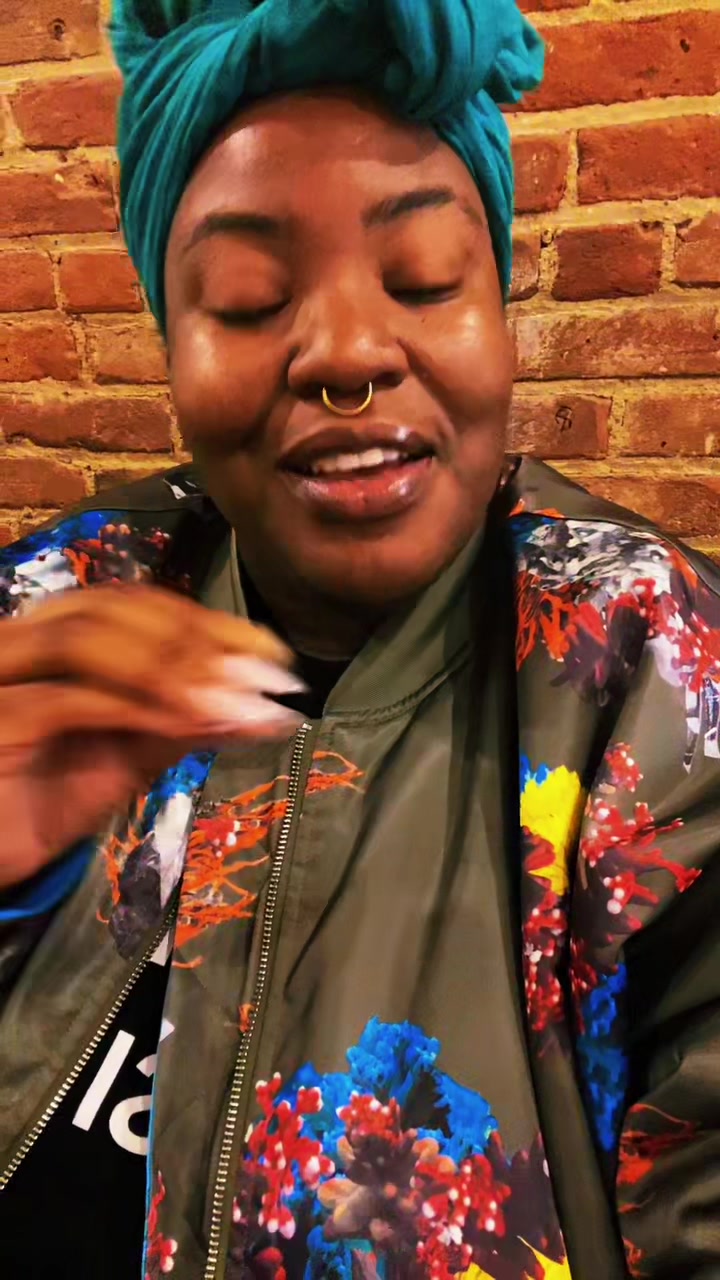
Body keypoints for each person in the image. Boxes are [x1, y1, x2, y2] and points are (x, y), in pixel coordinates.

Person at [0, 2, 718, 1278]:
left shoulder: (661, 697)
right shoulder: (57, 609)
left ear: (498, 310)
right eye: (247, 298)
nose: (344, 354)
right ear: (172, 343)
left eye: (425, 276)